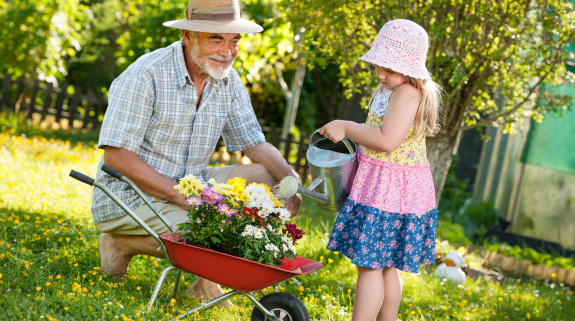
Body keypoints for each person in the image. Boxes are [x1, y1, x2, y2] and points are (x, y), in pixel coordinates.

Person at [90, 0, 302, 304]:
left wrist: (289, 178)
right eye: (216, 38)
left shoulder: (228, 81)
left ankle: (205, 284)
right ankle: (119, 243)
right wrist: (186, 198)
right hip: (130, 195)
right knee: (221, 227)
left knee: (267, 177)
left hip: (193, 184)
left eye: (234, 40)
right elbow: (116, 156)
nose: (228, 51)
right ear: (188, 36)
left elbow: (254, 143)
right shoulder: (145, 74)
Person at [319, 19, 442, 321]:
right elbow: (377, 128)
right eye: (379, 65)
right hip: (387, 187)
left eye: (389, 68)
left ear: (411, 67)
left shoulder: (406, 93)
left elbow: (387, 141)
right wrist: (352, 130)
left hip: (391, 192)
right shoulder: (392, 89)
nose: (381, 73)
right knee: (384, 264)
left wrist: (347, 126)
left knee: (370, 264)